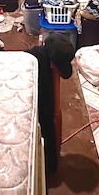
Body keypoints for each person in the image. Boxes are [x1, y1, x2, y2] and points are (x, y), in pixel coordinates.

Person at [26, 32, 75, 174]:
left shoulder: (40, 54)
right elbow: (46, 118)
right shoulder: (37, 69)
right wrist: (51, 164)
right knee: (46, 118)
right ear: (52, 62)